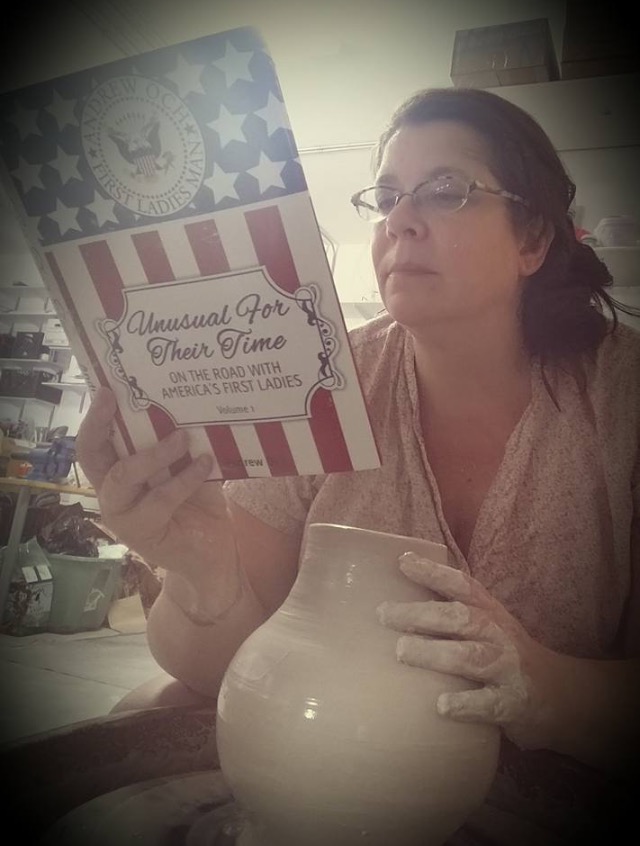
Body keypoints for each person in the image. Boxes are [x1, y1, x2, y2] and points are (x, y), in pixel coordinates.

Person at [77, 87, 640, 845]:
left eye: (446, 190)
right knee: (141, 715)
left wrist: (543, 689)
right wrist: (202, 572)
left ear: (532, 238)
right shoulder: (320, 383)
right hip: (342, 764)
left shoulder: (622, 399)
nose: (400, 220)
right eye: (387, 196)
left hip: (562, 775)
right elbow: (225, 670)